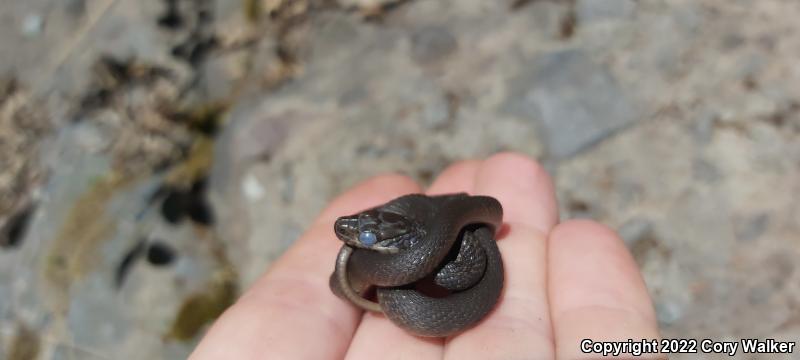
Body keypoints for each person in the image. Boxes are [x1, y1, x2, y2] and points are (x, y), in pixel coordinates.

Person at [190, 152, 660, 359]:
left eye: (365, 236)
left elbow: (487, 217)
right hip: (426, 238)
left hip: (441, 243)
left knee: (443, 261)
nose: (349, 233)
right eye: (360, 235)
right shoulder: (416, 235)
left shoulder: (451, 239)